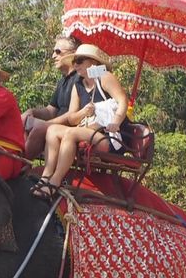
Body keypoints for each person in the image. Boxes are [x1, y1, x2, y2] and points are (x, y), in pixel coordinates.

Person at [35, 43, 130, 198]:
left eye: (79, 61)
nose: (75, 65)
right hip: (86, 129)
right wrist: (83, 112)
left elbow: (122, 101)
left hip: (108, 135)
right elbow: (72, 118)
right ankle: (45, 177)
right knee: (52, 130)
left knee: (71, 134)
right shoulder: (78, 84)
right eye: (74, 61)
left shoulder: (105, 77)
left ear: (92, 62)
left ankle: (55, 181)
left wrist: (116, 121)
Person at [22, 34, 80, 159]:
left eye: (58, 52)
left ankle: (20, 163)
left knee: (39, 128)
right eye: (53, 52)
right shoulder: (63, 81)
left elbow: (73, 114)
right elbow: (51, 110)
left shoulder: (81, 78)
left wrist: (47, 124)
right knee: (25, 120)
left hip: (74, 127)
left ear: (73, 53)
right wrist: (32, 112)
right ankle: (17, 159)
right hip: (58, 125)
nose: (53, 56)